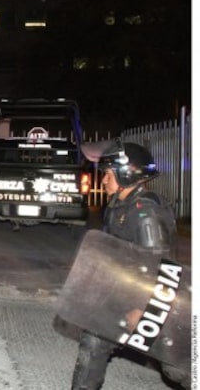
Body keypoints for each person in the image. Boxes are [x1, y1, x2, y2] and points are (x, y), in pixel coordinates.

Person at [70, 140, 185, 389]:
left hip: (152, 301)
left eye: (107, 175)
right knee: (93, 342)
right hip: (125, 294)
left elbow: (161, 265)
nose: (103, 181)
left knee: (178, 369)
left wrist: (141, 308)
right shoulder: (119, 205)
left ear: (126, 173)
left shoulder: (146, 212)